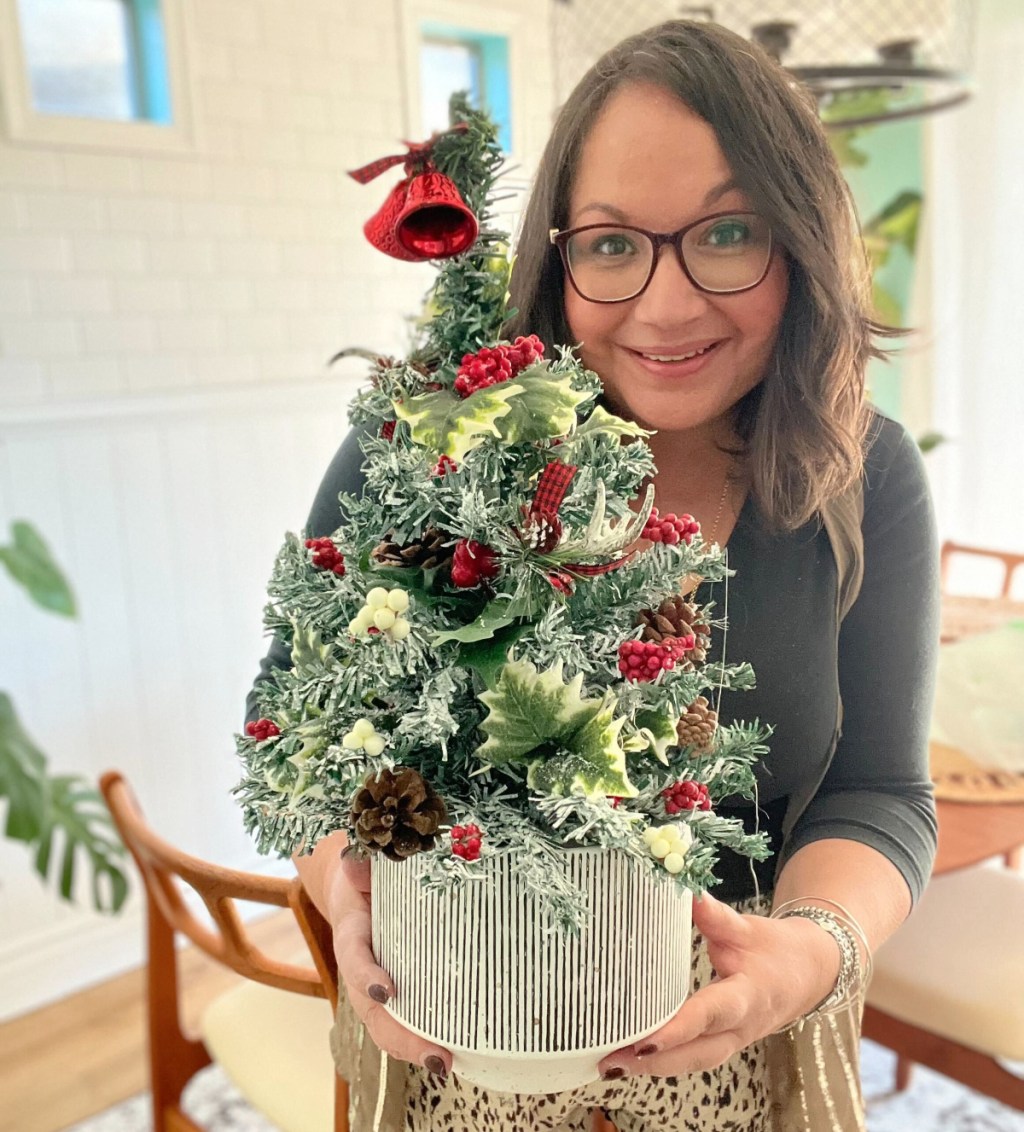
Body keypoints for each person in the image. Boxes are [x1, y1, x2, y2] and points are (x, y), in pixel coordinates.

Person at [247, 18, 938, 1132]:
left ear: (800, 240)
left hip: (741, 1052)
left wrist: (805, 956)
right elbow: (293, 723)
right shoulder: (427, 447)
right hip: (451, 1045)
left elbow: (879, 793)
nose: (666, 307)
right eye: (612, 243)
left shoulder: (862, 478)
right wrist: (347, 888)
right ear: (556, 255)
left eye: (727, 232)